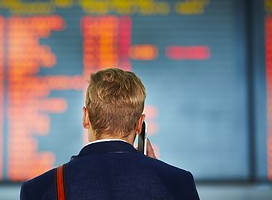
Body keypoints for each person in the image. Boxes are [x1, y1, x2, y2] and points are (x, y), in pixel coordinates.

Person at [20, 68, 200, 200]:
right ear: (140, 124)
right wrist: (157, 175)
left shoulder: (39, 189)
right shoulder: (177, 182)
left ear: (85, 117)